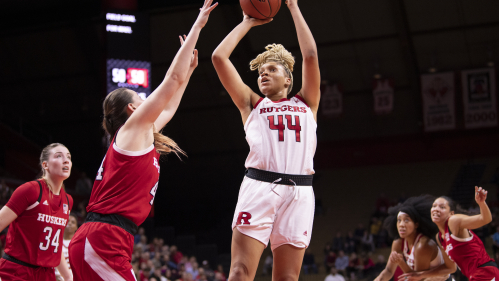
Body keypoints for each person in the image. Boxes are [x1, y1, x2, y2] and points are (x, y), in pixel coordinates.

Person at [68, 1, 218, 280]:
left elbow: (170, 107)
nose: (146, 101)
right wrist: (198, 25)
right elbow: (171, 78)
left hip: (110, 238)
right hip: (102, 238)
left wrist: (189, 74)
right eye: (140, 98)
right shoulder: (131, 129)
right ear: (132, 109)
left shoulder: (141, 133)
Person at [211, 0, 320, 280]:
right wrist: (247, 23)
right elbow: (219, 58)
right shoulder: (251, 104)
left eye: (272, 69)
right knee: (239, 272)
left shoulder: (307, 102)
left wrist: (293, 7)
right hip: (259, 186)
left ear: (288, 80)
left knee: (286, 278)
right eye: (261, 70)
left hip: (300, 192)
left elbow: (310, 56)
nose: (263, 72)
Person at [0, 143, 73, 281]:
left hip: (46, 274)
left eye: (68, 157)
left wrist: (68, 276)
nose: (66, 160)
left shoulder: (68, 201)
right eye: (59, 156)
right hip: (17, 271)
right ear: (45, 165)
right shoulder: (30, 190)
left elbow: (54, 247)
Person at [401, 187, 499, 281]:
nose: (436, 209)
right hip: (475, 276)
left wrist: (482, 203)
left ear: (451, 213)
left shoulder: (453, 221)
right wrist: (421, 275)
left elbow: (485, 219)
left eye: (442, 207)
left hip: (485, 272)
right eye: (434, 206)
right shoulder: (439, 237)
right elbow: (450, 268)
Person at [374, 195, 452, 281]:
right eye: (399, 220)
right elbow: (388, 271)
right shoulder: (398, 242)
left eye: (406, 220)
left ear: (416, 224)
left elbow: (417, 279)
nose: (401, 224)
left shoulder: (423, 245)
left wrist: (401, 263)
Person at [55, 213, 79, 281]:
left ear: (76, 227)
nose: (70, 223)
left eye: (73, 222)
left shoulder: (79, 243)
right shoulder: (55, 241)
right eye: (68, 221)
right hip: (56, 277)